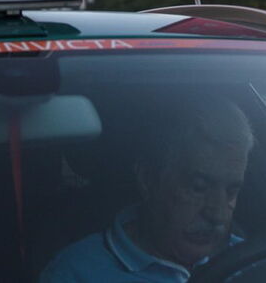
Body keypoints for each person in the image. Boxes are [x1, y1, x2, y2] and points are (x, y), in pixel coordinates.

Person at [40, 95, 254, 282]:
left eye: (232, 191)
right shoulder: (75, 274)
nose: (217, 214)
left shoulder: (251, 262)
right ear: (148, 179)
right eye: (198, 187)